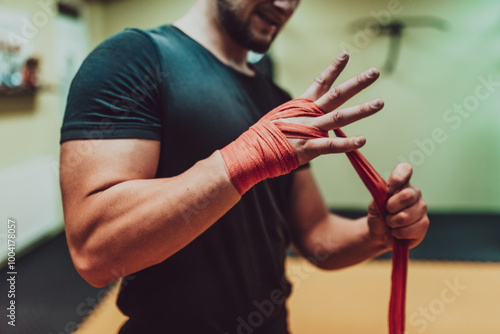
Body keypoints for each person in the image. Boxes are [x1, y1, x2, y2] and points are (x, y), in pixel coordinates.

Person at [59, 0, 429, 333]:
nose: (286, 5)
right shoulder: (134, 58)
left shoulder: (275, 98)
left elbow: (315, 232)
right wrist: (245, 158)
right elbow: (95, 250)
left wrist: (379, 233)